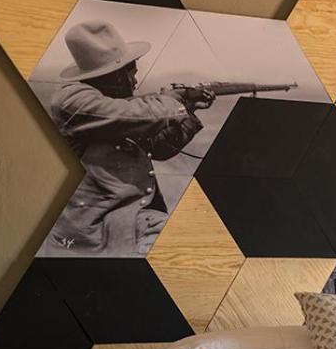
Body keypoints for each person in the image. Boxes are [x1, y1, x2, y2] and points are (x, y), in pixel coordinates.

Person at [47, 20, 214, 254]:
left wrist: (189, 111)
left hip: (129, 217)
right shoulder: (71, 100)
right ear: (116, 76)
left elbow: (159, 149)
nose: (135, 82)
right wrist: (173, 101)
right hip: (95, 226)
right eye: (132, 75)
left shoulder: (109, 104)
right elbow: (134, 115)